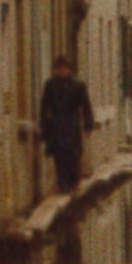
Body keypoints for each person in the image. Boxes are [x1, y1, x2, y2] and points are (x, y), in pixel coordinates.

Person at [38, 54, 95, 192]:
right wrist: (43, 125)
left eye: (64, 69)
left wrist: (88, 124)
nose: (61, 71)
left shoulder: (78, 85)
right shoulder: (50, 85)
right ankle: (63, 184)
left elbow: (86, 105)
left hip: (72, 125)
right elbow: (44, 106)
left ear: (68, 69)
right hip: (56, 126)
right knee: (59, 156)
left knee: (73, 154)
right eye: (59, 69)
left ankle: (73, 182)